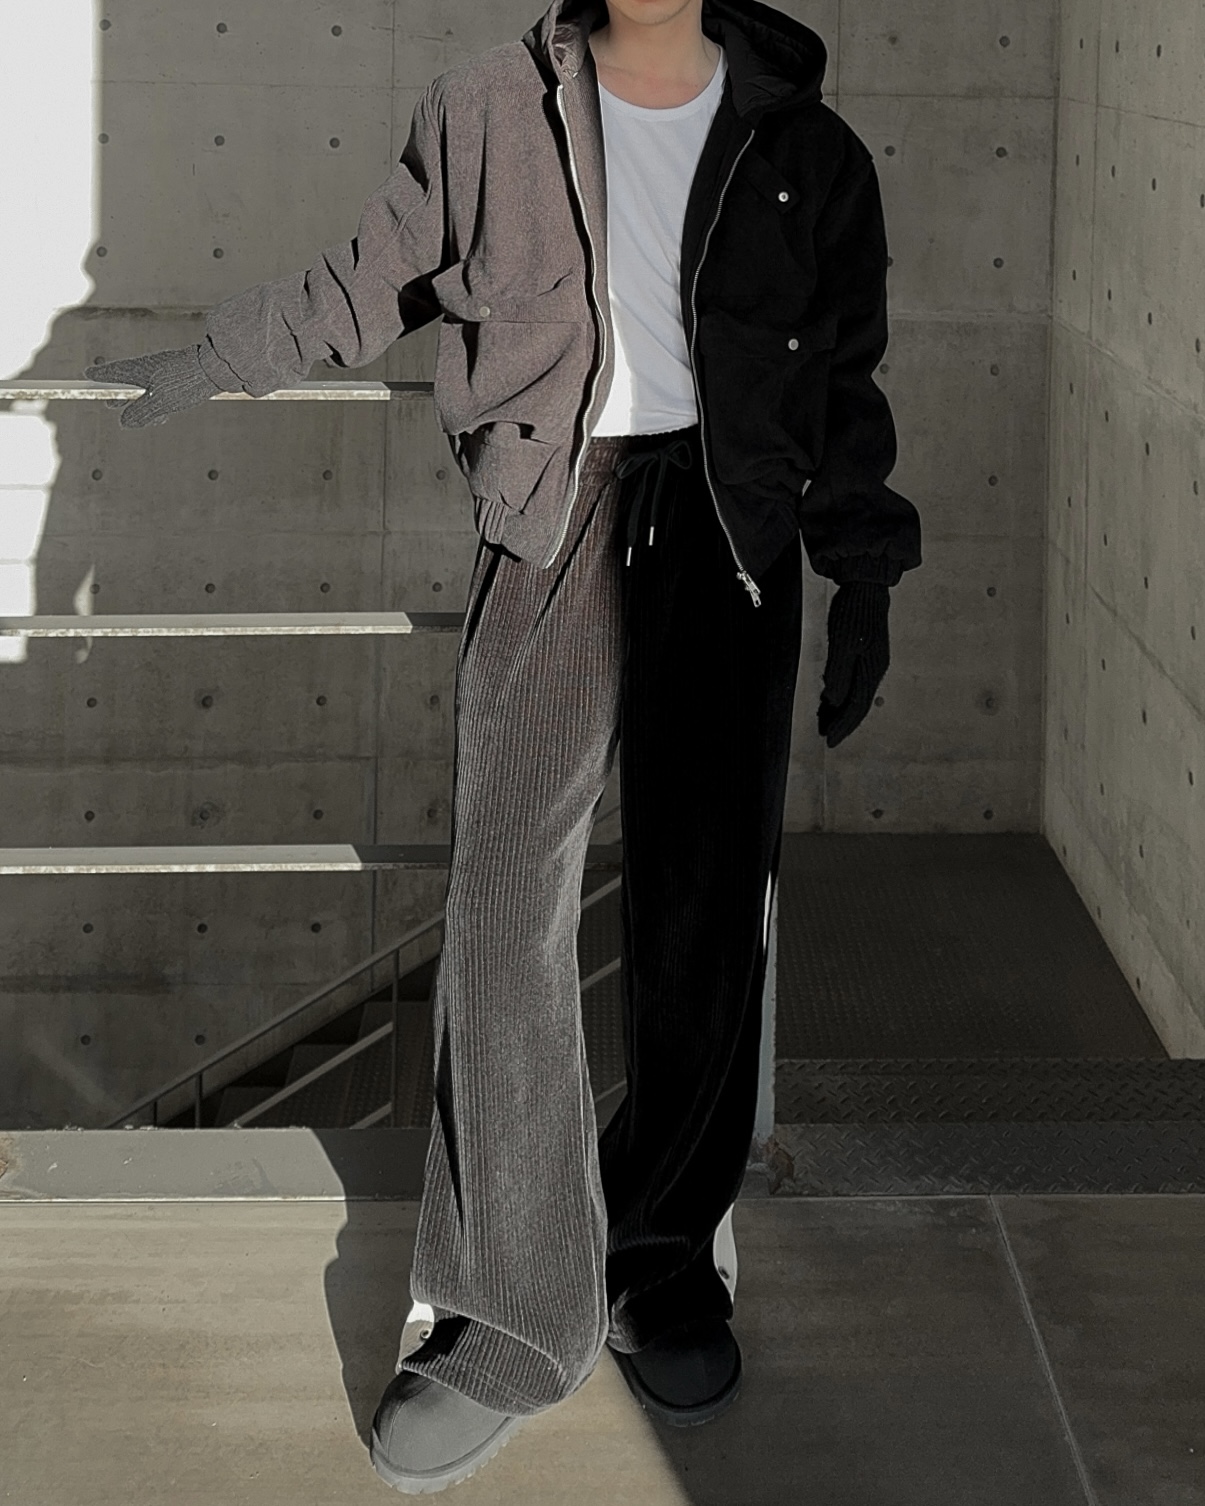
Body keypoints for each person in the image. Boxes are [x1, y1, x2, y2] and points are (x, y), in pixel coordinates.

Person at [87, 0, 922, 1492]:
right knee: (502, 909)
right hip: (552, 520)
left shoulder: (811, 148)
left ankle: (663, 1259)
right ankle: (511, 1313)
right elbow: (373, 278)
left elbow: (842, 381)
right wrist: (218, 358)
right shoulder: (486, 106)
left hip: (734, 538)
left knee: (703, 913)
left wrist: (862, 573)